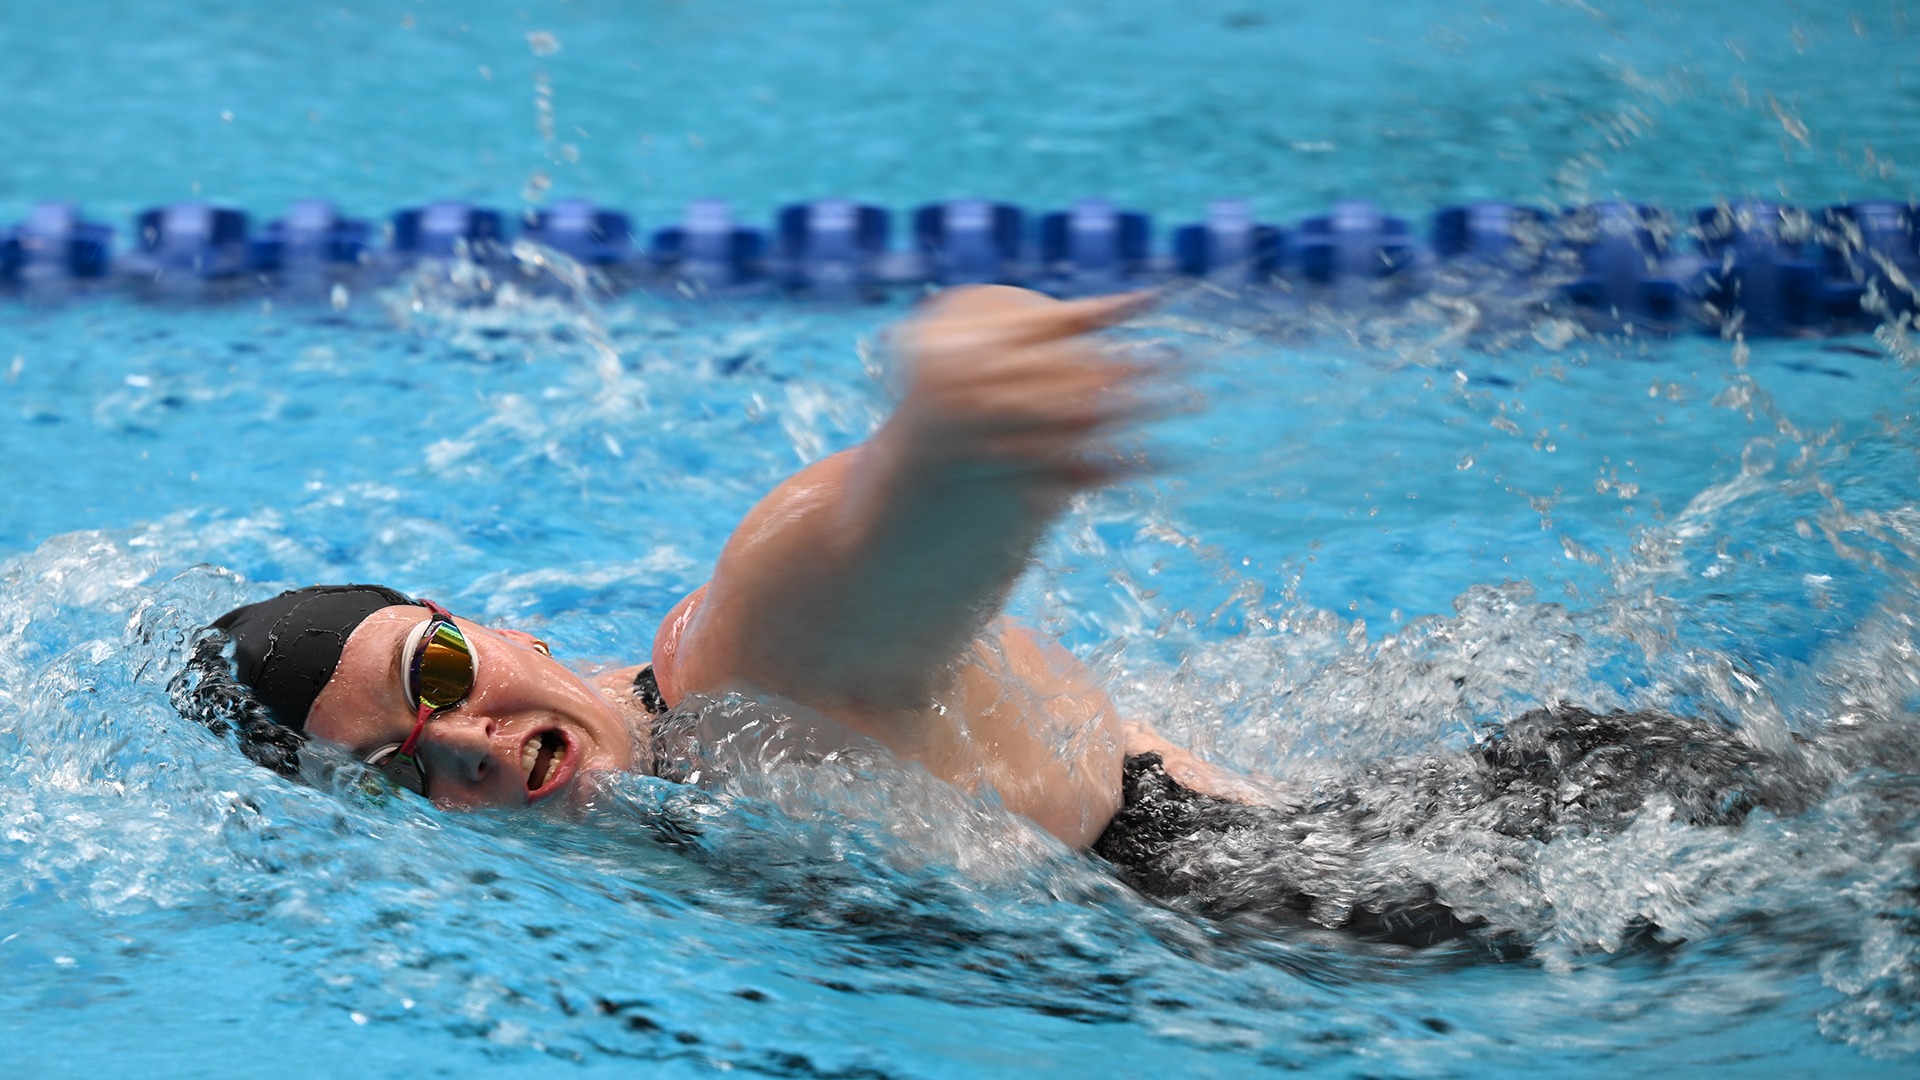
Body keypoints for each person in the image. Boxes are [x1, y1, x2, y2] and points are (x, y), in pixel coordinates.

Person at [174, 285, 1815, 947]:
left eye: (437, 674)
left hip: (1509, 879)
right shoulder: (661, 821)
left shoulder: (743, 673)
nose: (465, 741)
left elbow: (862, 533)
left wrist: (964, 417)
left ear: (493, 626)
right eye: (403, 768)